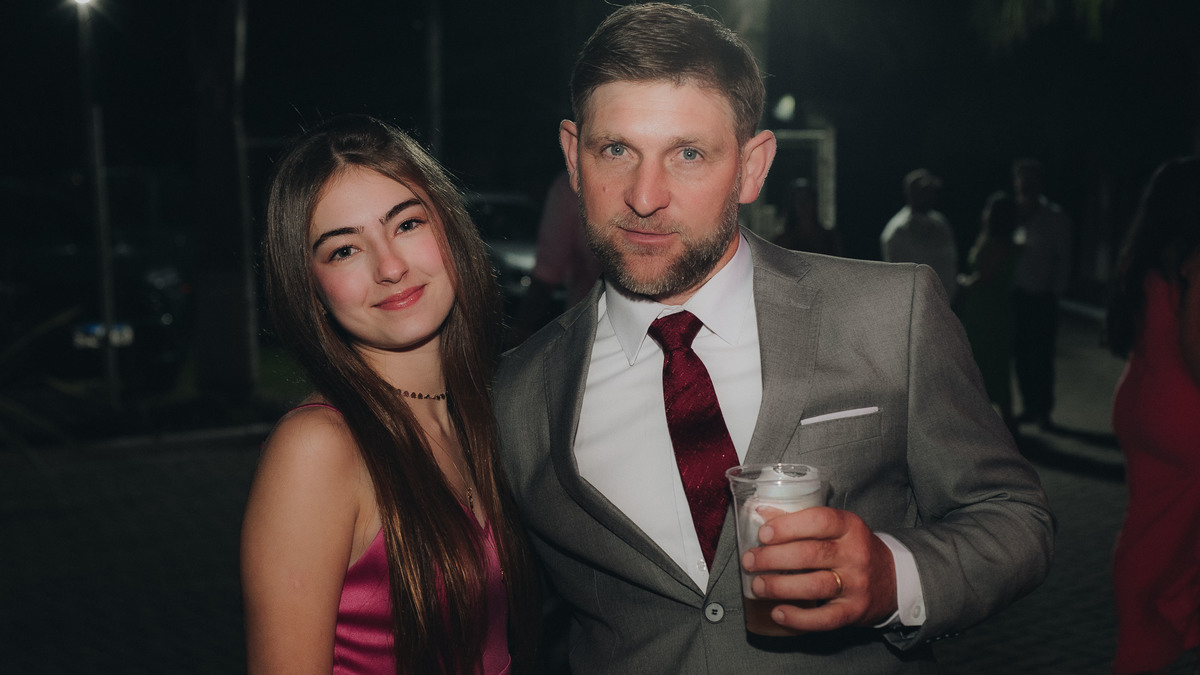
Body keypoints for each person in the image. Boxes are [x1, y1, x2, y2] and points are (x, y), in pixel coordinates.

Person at [493, 4, 1053, 673]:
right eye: (616, 150)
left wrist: (892, 576)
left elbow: (1014, 516)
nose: (644, 196)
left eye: (689, 154)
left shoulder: (888, 314)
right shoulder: (515, 395)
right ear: (572, 155)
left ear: (752, 166)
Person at [240, 114, 538, 675]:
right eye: (344, 250)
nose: (391, 267)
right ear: (312, 289)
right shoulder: (318, 449)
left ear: (449, 227)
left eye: (406, 224)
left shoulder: (482, 412)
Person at [1106, 156, 1200, 675]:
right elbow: (1196, 348)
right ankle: (1154, 633)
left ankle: (1144, 633)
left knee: (1150, 529)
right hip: (1186, 410)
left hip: (1140, 402)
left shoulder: (1143, 257)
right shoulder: (1192, 259)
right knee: (1172, 543)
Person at [1010, 157, 1073, 429]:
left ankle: (1044, 410)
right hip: (1015, 294)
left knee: (1042, 356)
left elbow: (1064, 257)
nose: (1026, 185)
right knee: (1020, 353)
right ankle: (1029, 406)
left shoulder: (1055, 217)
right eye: (1022, 179)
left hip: (1042, 295)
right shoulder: (1011, 213)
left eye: (1032, 180)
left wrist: (1055, 291)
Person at [508, 171, 601, 347]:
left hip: (587, 333)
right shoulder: (571, 187)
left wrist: (520, 331)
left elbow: (547, 274)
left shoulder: (571, 186)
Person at [957, 191, 1023, 433]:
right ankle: (1003, 423)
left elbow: (983, 278)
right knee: (994, 364)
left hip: (987, 311)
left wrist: (960, 281)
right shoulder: (1007, 242)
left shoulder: (996, 244)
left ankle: (989, 424)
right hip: (994, 308)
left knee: (984, 363)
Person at [880, 168, 959, 304]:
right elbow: (897, 276)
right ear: (911, 193)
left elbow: (950, 263)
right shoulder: (898, 230)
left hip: (945, 304)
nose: (930, 195)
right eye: (924, 191)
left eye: (931, 190)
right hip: (916, 305)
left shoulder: (940, 222)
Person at [772, 177, 843, 256]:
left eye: (806, 199)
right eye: (799, 200)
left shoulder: (829, 237)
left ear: (814, 202)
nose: (803, 204)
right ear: (793, 205)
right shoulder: (784, 240)